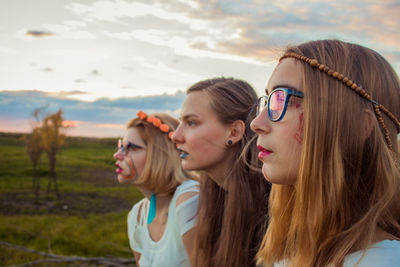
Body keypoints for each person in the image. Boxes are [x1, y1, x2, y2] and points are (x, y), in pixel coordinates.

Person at [251, 39, 400, 266]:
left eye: (282, 99)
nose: (256, 123)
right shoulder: (286, 256)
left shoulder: (384, 261)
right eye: (268, 101)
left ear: (358, 125)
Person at [172, 77, 271, 267]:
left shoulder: (274, 206)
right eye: (180, 122)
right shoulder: (211, 199)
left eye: (191, 123)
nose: (176, 135)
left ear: (234, 132)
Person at [113, 111, 199, 267]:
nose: (117, 155)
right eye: (121, 146)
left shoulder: (189, 200)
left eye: (131, 148)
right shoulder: (137, 217)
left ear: (161, 154)